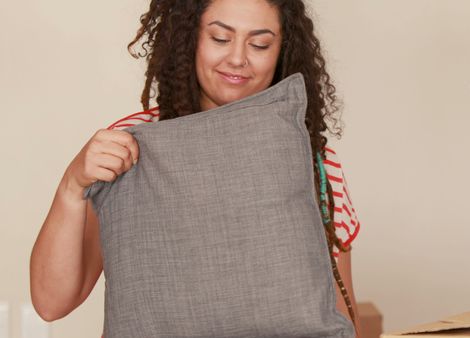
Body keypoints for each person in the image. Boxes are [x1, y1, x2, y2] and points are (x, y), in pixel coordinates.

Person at [29, 0, 362, 336]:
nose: (237, 58)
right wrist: (72, 186)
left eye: (259, 44)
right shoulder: (128, 147)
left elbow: (337, 316)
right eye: (220, 38)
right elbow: (51, 302)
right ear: (189, 38)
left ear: (282, 51)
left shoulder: (313, 160)